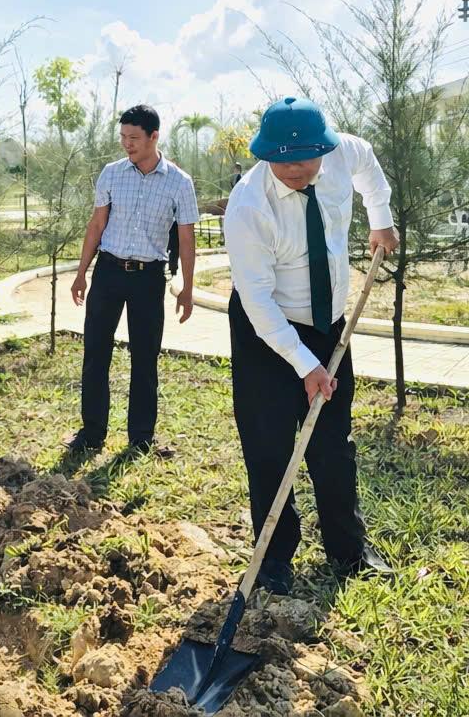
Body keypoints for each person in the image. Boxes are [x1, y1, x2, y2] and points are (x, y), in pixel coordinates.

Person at [224, 97, 399, 595]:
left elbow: (369, 169)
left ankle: (348, 549)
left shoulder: (344, 153)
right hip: (267, 333)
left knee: (333, 444)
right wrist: (304, 366)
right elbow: (257, 301)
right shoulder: (248, 205)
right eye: (283, 161)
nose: (295, 169)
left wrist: (380, 218)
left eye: (306, 158)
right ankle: (275, 559)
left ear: (325, 148)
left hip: (328, 326)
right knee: (269, 446)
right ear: (265, 155)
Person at [68, 105, 200, 455]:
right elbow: (96, 224)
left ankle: (141, 438)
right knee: (95, 353)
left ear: (154, 136)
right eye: (123, 137)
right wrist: (81, 272)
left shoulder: (179, 182)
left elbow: (187, 239)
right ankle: (91, 433)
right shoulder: (111, 174)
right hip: (108, 272)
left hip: (149, 279)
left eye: (134, 138)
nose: (127, 144)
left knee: (145, 358)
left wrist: (187, 287)